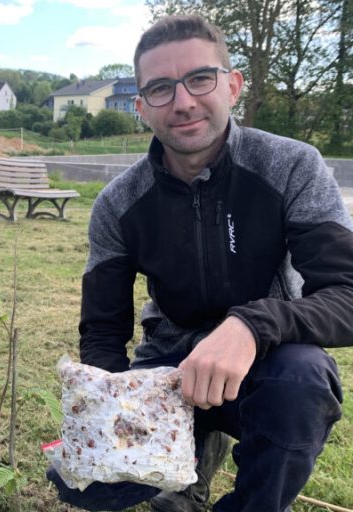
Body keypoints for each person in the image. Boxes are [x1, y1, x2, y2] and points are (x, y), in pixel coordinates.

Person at [47, 14, 352, 512]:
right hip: (167, 370)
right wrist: (106, 414)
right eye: (160, 88)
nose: (183, 101)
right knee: (83, 482)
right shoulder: (117, 203)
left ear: (232, 85)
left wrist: (251, 325)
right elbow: (102, 331)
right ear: (141, 107)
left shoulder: (292, 166)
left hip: (266, 366)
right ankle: (191, 454)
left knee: (302, 379)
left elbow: (347, 293)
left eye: (200, 78)